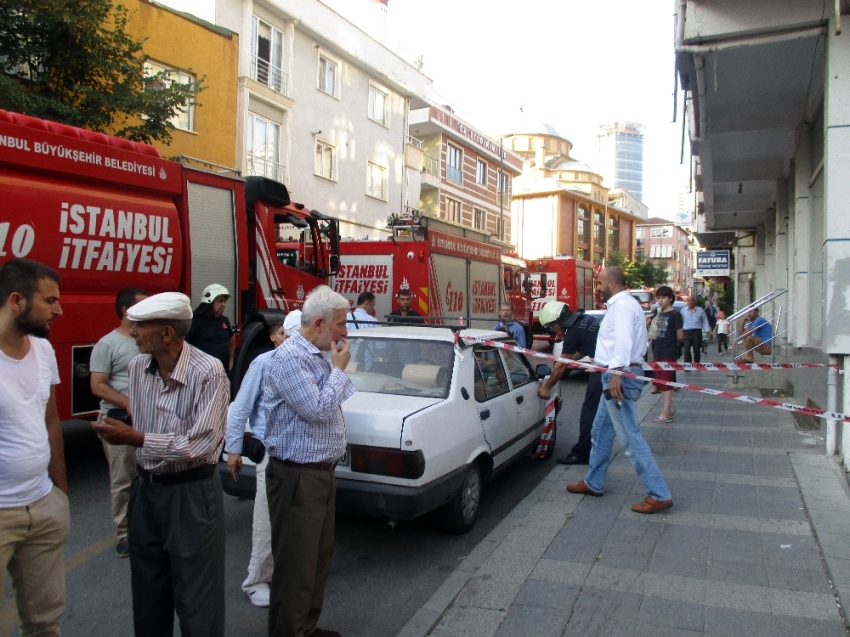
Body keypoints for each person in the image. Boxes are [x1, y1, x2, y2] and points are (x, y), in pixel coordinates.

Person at [92, 292, 230, 637]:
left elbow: (200, 445)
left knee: (198, 599)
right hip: (147, 490)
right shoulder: (139, 366)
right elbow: (140, 417)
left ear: (167, 333)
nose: (132, 331)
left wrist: (136, 439)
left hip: (191, 494)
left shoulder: (209, 371)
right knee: (149, 594)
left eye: (140, 326)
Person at [264, 286, 355, 637]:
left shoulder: (316, 354)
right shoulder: (289, 358)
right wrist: (340, 370)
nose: (345, 332)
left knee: (316, 562)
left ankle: (306, 627)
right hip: (297, 478)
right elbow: (317, 409)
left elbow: (330, 403)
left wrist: (335, 371)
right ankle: (291, 631)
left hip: (319, 475)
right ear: (319, 324)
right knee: (295, 569)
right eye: (341, 324)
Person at [567, 267, 673, 514]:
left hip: (620, 378)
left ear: (612, 284)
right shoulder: (622, 305)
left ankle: (659, 494)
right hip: (615, 375)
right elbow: (616, 343)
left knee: (628, 437)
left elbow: (623, 342)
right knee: (600, 430)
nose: (597, 287)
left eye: (600, 282)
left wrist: (615, 374)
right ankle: (594, 481)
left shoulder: (623, 306)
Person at [0, 258, 69, 636]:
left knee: (44, 623)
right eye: (49, 300)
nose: (58, 309)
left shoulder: (43, 352)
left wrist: (59, 492)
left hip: (43, 507)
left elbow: (51, 421)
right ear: (16, 301)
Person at [225, 311, 300, 608]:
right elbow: (240, 407)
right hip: (271, 454)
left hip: (301, 455)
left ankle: (289, 573)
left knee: (295, 520)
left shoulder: (313, 363)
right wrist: (233, 449)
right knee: (266, 520)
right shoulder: (263, 364)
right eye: (286, 335)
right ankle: (256, 580)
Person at [89, 286, 148, 558]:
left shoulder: (146, 341)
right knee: (123, 479)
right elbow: (98, 385)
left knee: (147, 476)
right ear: (126, 311)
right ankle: (125, 533)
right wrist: (127, 403)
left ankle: (146, 528)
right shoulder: (107, 344)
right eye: (141, 306)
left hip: (146, 421)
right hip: (118, 419)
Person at [537, 301, 602, 466]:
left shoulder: (573, 331)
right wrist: (565, 361)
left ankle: (583, 453)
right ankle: (596, 451)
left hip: (604, 371)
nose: (554, 330)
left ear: (560, 319)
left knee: (589, 413)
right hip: (611, 368)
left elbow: (560, 369)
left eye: (553, 325)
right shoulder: (584, 320)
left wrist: (546, 387)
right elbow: (583, 349)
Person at [650, 286, 683, 424]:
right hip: (658, 350)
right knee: (661, 383)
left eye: (663, 297)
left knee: (667, 382)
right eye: (658, 298)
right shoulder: (660, 313)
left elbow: (680, 335)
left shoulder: (675, 315)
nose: (661, 300)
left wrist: (675, 346)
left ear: (670, 298)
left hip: (669, 352)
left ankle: (667, 412)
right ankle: (666, 411)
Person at [186, 283, 235, 372]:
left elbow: (232, 337)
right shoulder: (195, 321)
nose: (223, 305)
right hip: (201, 372)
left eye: (224, 301)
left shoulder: (225, 321)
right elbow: (184, 342)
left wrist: (231, 359)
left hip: (222, 372)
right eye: (220, 301)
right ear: (209, 301)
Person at [679, 295, 710, 363]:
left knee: (696, 349)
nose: (690, 302)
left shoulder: (700, 310)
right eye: (688, 301)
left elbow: (705, 320)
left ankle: (697, 363)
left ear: (694, 301)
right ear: (686, 302)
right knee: (686, 349)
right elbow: (680, 321)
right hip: (686, 332)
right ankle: (687, 365)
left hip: (696, 332)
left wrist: (707, 329)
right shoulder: (683, 311)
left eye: (691, 300)